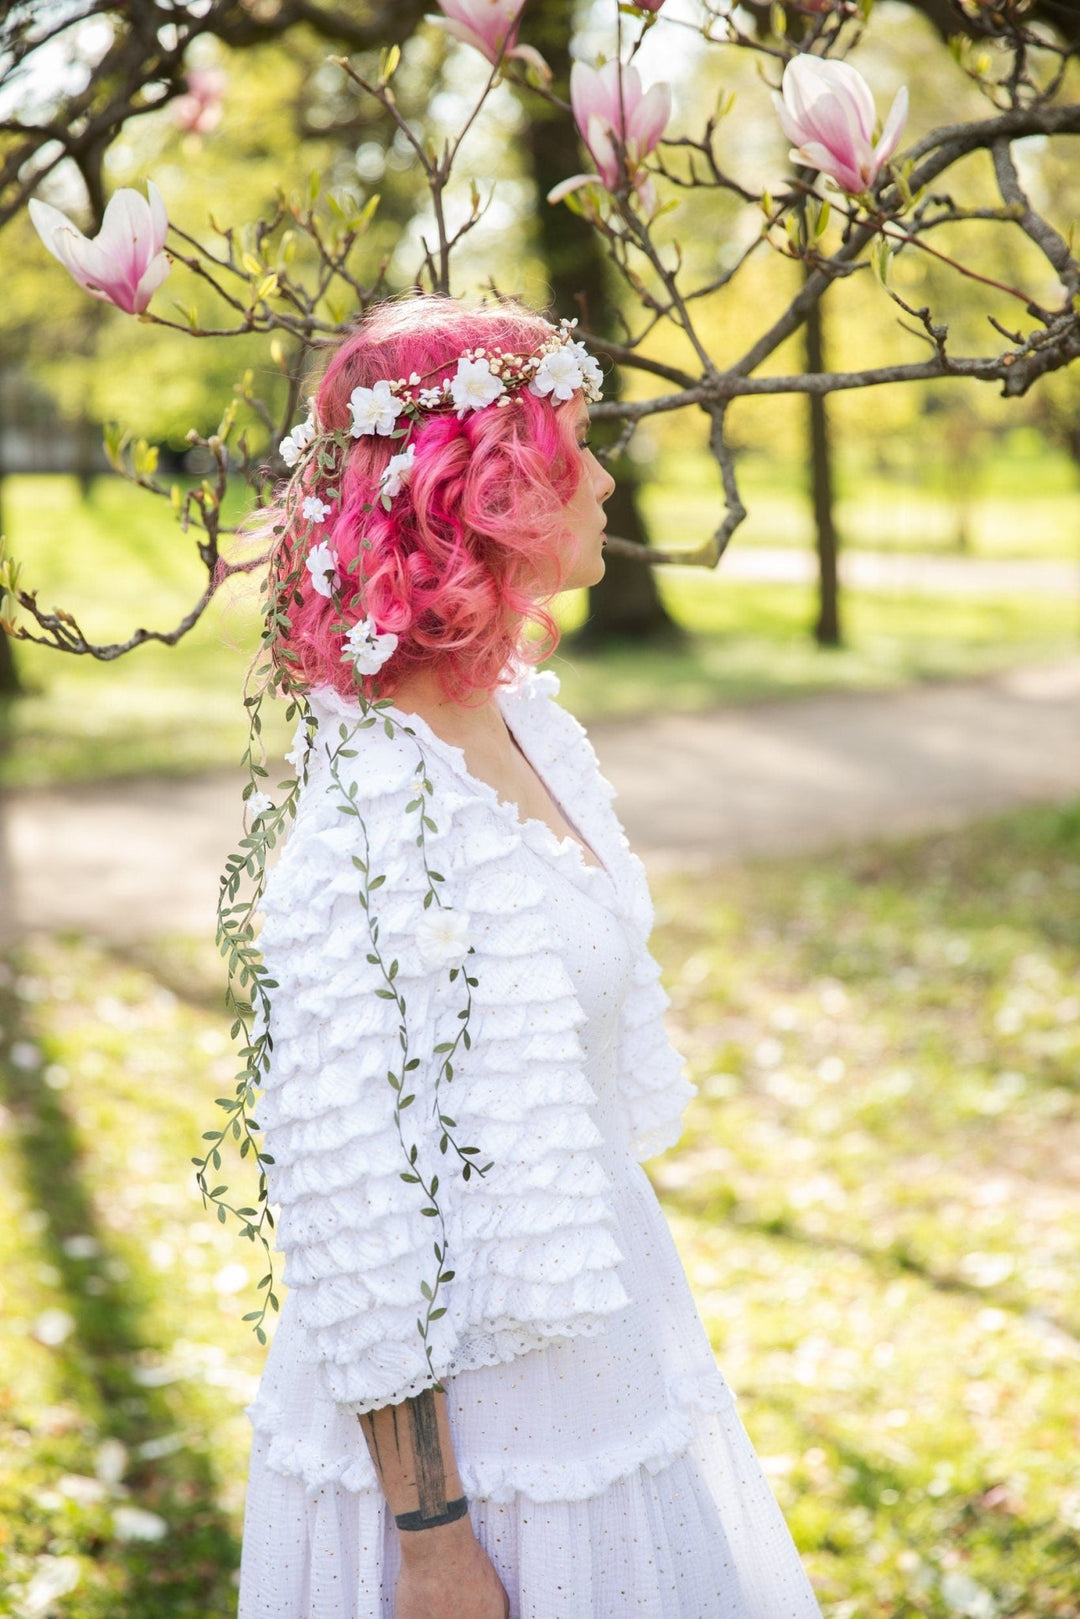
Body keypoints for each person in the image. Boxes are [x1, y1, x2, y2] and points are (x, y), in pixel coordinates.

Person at [235, 291, 823, 1618]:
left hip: (606, 1341)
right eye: (576, 451)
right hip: (481, 1449)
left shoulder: (523, 724)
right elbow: (350, 1208)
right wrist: (435, 1542)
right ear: (485, 495)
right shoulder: (372, 825)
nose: (607, 479)